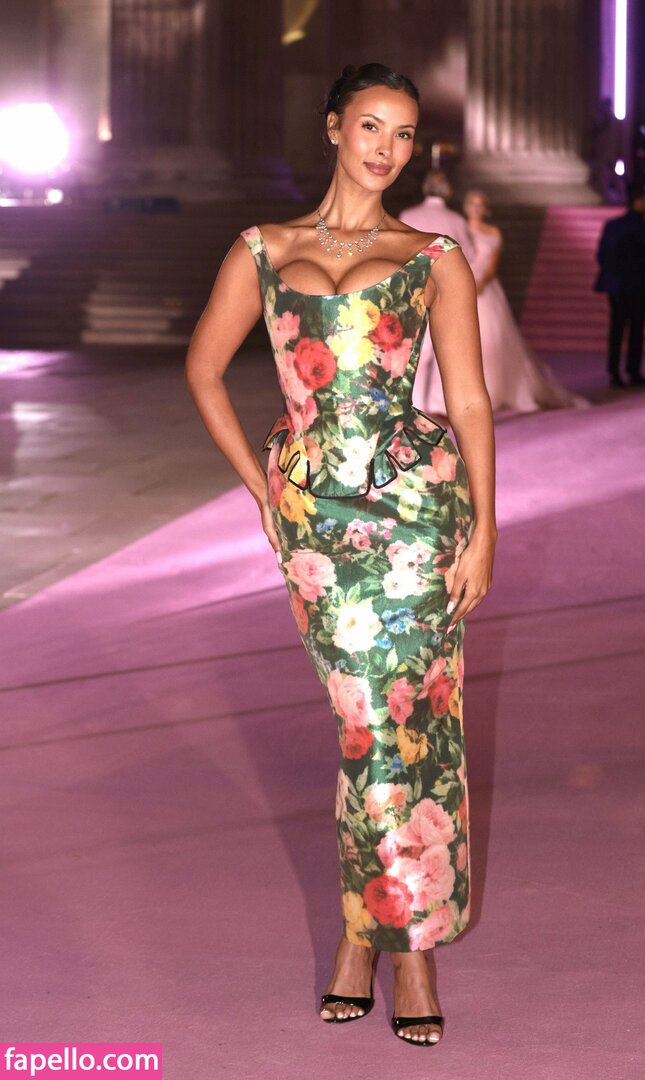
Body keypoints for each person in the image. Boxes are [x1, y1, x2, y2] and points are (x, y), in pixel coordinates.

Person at [185, 62, 497, 1048]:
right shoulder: (263, 249)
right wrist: (262, 491)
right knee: (361, 721)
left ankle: (399, 949)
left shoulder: (433, 256)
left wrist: (486, 529)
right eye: (371, 127)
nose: (386, 149)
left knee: (412, 723)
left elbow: (470, 397)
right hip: (315, 521)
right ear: (333, 127)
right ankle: (374, 926)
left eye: (403, 135)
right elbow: (203, 370)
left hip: (417, 515)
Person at [412, 188, 586, 414]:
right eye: (472, 203)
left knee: (489, 340)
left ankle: (491, 392)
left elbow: (493, 263)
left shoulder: (492, 231)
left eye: (479, 204)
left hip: (484, 291)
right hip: (460, 289)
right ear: (466, 206)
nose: (475, 208)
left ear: (485, 208)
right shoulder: (458, 226)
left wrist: (478, 284)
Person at [594, 187, 645, 387]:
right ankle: (633, 371)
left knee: (617, 329)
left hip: (617, 285)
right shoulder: (644, 227)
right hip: (637, 285)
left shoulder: (612, 225)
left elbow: (601, 256)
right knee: (636, 330)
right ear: (637, 202)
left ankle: (614, 372)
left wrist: (613, 274)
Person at [399, 168, 478, 250]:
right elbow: (469, 253)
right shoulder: (457, 221)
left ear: (424, 188)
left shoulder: (406, 216)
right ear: (449, 191)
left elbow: (399, 248)